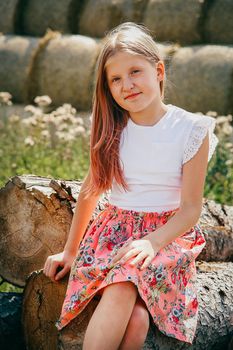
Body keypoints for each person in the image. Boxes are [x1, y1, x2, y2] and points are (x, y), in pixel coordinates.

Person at [43, 22, 219, 349]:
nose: (127, 84)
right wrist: (69, 251)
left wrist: (151, 242)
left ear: (159, 71)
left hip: (166, 237)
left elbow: (191, 210)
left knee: (128, 288)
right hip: (115, 232)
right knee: (134, 316)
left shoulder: (192, 129)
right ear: (108, 87)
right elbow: (90, 192)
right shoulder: (114, 131)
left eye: (135, 71)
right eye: (116, 79)